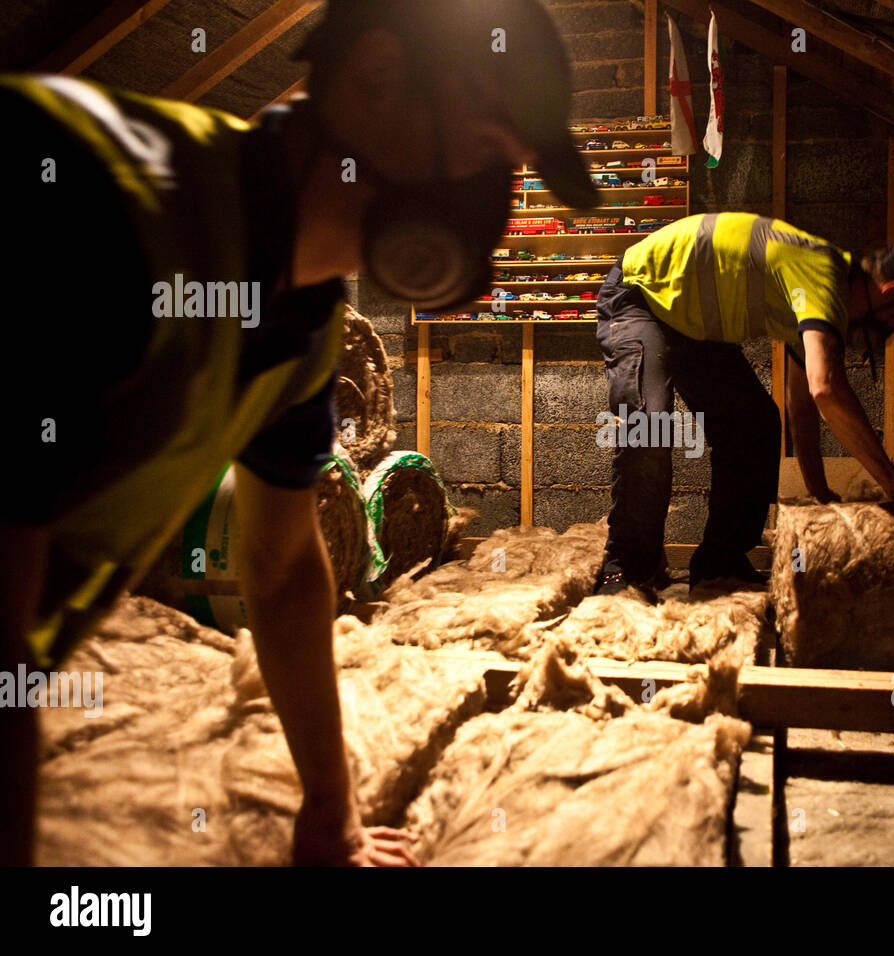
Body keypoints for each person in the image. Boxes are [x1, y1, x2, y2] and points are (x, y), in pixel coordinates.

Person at [0, 0, 598, 866]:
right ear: (375, 76)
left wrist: (332, 811)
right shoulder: (100, 201)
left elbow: (281, 569)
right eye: (477, 156)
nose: (485, 210)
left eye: (508, 174)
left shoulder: (303, 322)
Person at [594, 212, 894, 597]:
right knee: (650, 425)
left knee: (755, 422)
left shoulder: (822, 303)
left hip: (692, 326)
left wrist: (819, 492)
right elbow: (826, 388)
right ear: (889, 293)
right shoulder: (823, 272)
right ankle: (625, 568)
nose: (888, 335)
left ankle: (718, 565)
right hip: (641, 296)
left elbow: (802, 403)